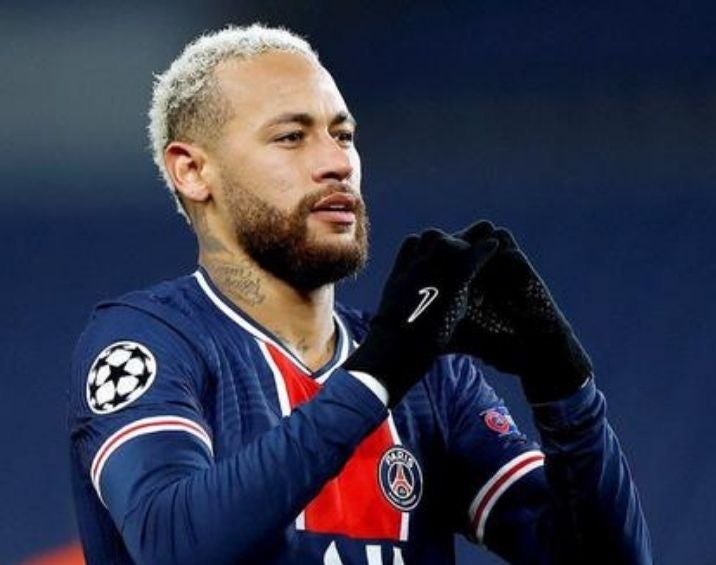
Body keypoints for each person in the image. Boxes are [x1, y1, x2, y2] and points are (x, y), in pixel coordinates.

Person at [68, 24, 651, 564]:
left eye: (343, 134)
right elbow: (173, 546)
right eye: (291, 137)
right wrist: (377, 376)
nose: (336, 162)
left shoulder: (427, 378)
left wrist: (565, 390)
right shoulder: (148, 342)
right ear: (193, 171)